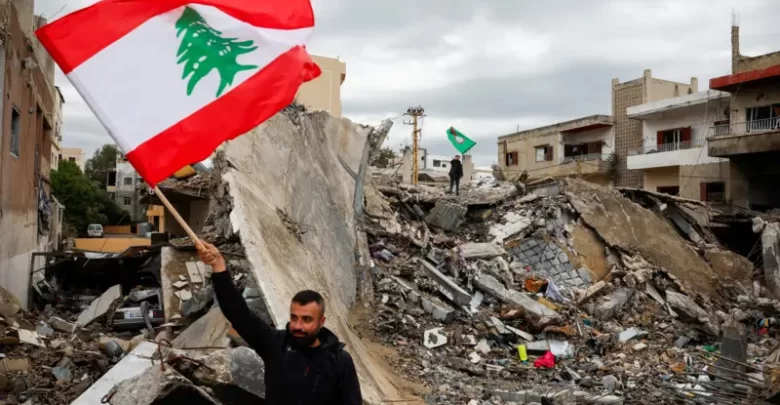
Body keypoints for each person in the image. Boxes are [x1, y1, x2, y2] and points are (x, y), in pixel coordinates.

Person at [198, 242, 363, 405]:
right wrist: (218, 266)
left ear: (321, 322)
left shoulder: (340, 361)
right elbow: (239, 314)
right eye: (294, 318)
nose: (298, 326)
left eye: (306, 319)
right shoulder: (276, 345)